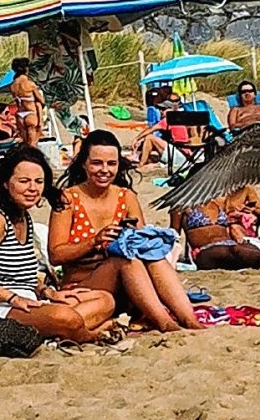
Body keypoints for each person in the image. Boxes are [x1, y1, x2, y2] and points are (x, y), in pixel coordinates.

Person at [0, 146, 117, 340]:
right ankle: (88, 335)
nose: (33, 188)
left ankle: (58, 330)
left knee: (104, 300)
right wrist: (13, 298)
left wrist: (47, 291)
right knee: (66, 317)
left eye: (38, 182)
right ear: (6, 183)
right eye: (24, 181)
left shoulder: (23, 217)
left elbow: (22, 275)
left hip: (25, 299)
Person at [50, 131, 201, 332]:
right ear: (84, 164)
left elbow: (142, 243)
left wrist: (135, 237)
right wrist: (94, 241)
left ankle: (189, 319)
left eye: (111, 164)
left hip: (129, 287)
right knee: (126, 261)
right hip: (85, 285)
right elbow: (56, 254)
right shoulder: (68, 199)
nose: (104, 170)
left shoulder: (125, 196)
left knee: (152, 256)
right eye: (97, 163)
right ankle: (165, 323)